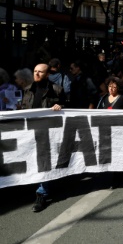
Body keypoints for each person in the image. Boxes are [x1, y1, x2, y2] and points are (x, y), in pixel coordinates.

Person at [21, 64, 65, 212]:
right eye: (35, 71)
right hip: (29, 130)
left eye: (40, 72)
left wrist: (60, 106)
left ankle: (42, 193)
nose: (37, 74)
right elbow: (22, 108)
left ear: (47, 75)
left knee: (43, 160)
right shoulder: (28, 89)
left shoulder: (57, 89)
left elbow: (69, 107)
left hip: (47, 131)